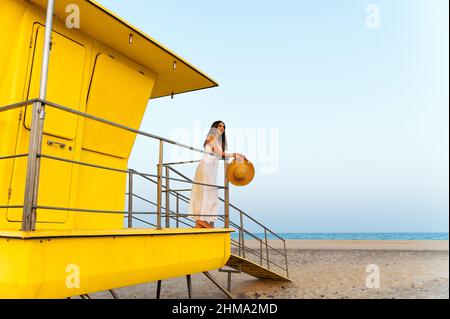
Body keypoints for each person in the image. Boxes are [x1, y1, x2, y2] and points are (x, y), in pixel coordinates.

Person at [188, 121, 246, 228]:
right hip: (205, 167)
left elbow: (219, 154)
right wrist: (235, 154)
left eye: (224, 127)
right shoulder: (211, 137)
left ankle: (200, 223)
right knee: (208, 191)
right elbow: (218, 153)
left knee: (208, 192)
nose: (222, 128)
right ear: (214, 127)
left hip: (210, 169)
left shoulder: (218, 141)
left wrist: (235, 156)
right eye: (220, 126)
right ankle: (201, 219)